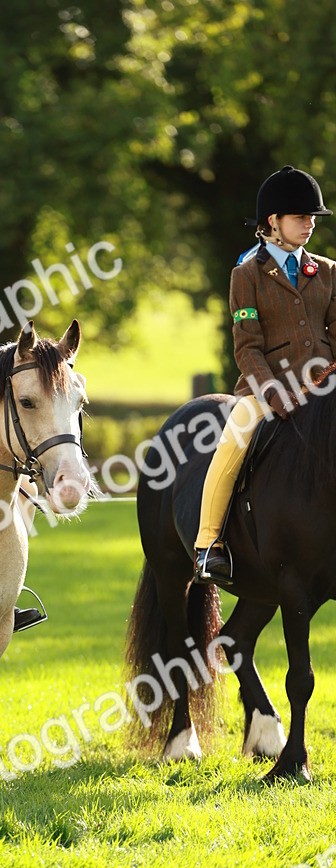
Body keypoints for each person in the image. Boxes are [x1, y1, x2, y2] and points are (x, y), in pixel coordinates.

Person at [194, 165, 336, 585]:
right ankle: (209, 544)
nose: (310, 224)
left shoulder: (328, 271)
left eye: (313, 218)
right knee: (234, 441)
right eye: (301, 217)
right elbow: (247, 346)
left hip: (324, 386)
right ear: (273, 221)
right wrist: (272, 393)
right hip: (266, 391)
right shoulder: (247, 276)